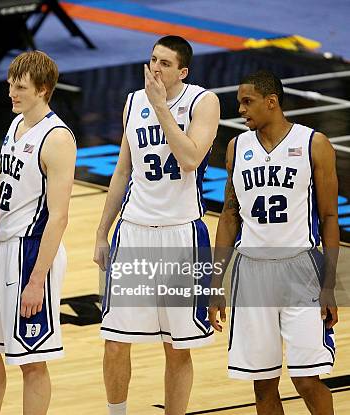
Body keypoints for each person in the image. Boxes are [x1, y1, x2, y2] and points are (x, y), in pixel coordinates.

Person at [93, 35, 220, 415]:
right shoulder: (133, 101)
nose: (156, 69)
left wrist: (162, 107)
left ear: (182, 71)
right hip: (133, 231)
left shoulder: (203, 101)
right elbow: (122, 170)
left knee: (177, 345)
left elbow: (190, 158)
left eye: (165, 63)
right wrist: (102, 230)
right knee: (114, 340)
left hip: (182, 233)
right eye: (153, 61)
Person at [208, 69, 338, 415]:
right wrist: (215, 282)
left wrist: (329, 286)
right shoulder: (237, 148)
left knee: (307, 379)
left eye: (247, 102)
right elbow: (230, 216)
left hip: (301, 270)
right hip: (251, 273)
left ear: (272, 101)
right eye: (239, 103)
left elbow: (328, 218)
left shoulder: (314, 143)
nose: (241, 109)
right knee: (262, 382)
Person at [0, 50, 76, 415]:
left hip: (32, 253)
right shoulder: (15, 126)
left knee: (32, 361)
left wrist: (36, 280)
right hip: (4, 250)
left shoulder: (58, 138)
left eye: (20, 87)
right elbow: (4, 199)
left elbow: (59, 217)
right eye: (10, 86)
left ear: (43, 90)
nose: (12, 94)